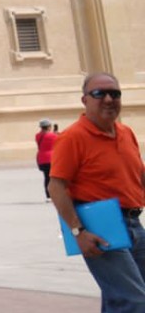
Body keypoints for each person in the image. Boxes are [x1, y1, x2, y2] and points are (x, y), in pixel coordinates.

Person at [49, 72, 145, 308]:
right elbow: (56, 186)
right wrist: (77, 232)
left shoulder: (126, 133)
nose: (108, 99)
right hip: (99, 227)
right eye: (99, 93)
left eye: (115, 93)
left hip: (134, 222)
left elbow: (138, 175)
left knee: (120, 298)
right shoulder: (73, 137)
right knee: (134, 299)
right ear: (85, 100)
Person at [37, 118, 61, 200]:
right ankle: (54, 194)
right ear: (48, 127)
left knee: (46, 177)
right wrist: (56, 133)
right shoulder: (52, 135)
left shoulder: (37, 135)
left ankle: (48, 196)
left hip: (41, 159)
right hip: (50, 159)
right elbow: (59, 140)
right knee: (54, 178)